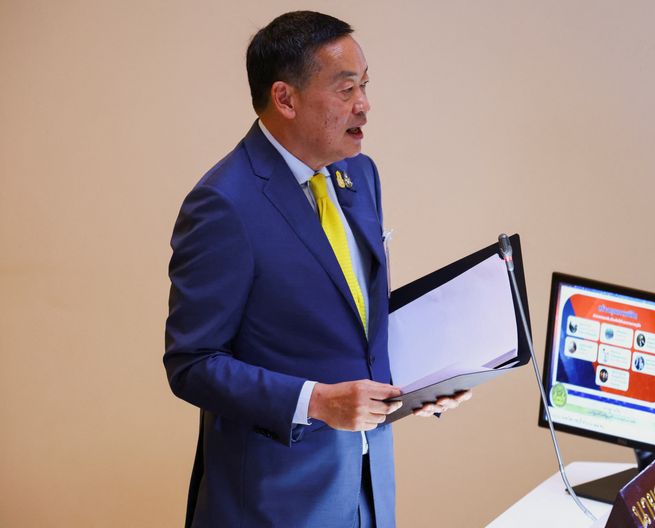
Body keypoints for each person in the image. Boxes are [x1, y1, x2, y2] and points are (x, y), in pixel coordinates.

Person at [163, 11, 469, 528]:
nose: (365, 104)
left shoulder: (359, 173)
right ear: (285, 98)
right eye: (346, 88)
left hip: (368, 487)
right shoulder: (223, 204)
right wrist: (317, 402)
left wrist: (416, 384)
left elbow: (351, 314)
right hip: (273, 501)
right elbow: (191, 363)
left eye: (365, 85)